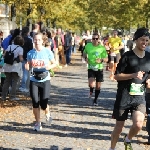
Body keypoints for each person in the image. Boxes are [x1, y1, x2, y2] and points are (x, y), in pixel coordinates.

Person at [109, 28, 150, 150]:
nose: (144, 42)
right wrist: (132, 75)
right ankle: (112, 148)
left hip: (139, 97)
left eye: (147, 40)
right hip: (124, 96)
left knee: (138, 124)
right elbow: (116, 76)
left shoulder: (149, 57)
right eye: (142, 40)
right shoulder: (127, 56)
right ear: (136, 40)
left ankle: (128, 139)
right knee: (119, 127)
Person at [25, 32, 57, 131]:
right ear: (33, 40)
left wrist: (49, 66)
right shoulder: (30, 53)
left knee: (43, 103)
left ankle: (47, 113)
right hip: (33, 79)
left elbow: (54, 63)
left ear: (42, 41)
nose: (37, 41)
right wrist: (27, 66)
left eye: (39, 40)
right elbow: (28, 64)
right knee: (35, 102)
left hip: (45, 80)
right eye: (35, 40)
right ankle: (38, 123)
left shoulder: (47, 52)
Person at [83, 33, 108, 106]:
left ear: (98, 39)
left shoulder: (102, 48)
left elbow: (106, 59)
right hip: (91, 67)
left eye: (96, 39)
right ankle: (91, 89)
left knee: (98, 86)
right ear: (91, 39)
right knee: (91, 84)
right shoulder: (88, 46)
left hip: (99, 68)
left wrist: (101, 60)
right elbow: (84, 53)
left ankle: (95, 100)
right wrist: (85, 58)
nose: (95, 40)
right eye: (93, 38)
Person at [1, 35, 24, 101]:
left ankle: (3, 96)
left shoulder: (9, 46)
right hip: (15, 67)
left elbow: (4, 55)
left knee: (6, 81)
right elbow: (21, 58)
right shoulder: (20, 48)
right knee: (15, 81)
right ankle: (12, 96)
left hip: (7, 66)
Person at [19, 27, 33, 93]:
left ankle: (16, 86)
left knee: (19, 72)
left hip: (19, 57)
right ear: (27, 32)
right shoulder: (29, 40)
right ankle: (23, 86)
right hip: (26, 57)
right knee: (25, 72)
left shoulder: (19, 39)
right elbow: (31, 49)